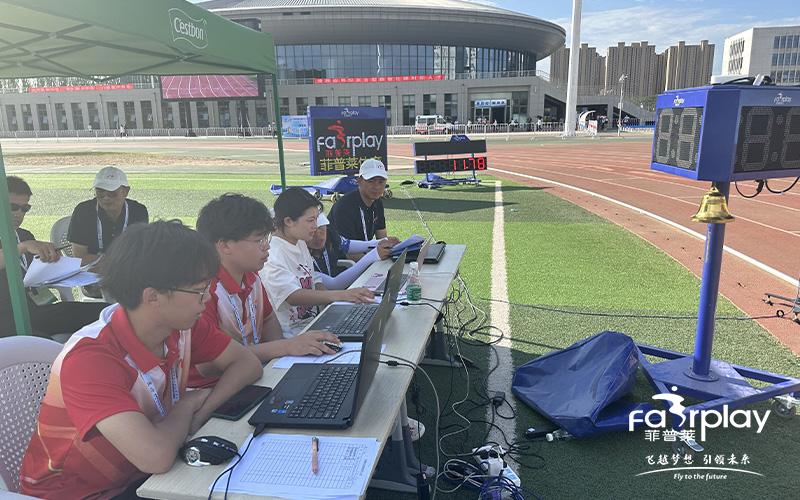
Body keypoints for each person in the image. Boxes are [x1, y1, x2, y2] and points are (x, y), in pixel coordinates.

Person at [19, 221, 262, 499]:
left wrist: (201, 413)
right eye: (199, 290)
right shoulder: (91, 359)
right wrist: (185, 406)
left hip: (145, 471)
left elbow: (247, 364)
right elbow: (155, 457)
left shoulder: (180, 324)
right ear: (153, 296)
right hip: (85, 492)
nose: (207, 298)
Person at [190, 194, 340, 387]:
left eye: (266, 238)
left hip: (255, 373)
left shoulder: (251, 277)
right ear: (225, 245)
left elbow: (268, 318)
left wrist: (282, 358)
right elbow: (210, 363)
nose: (267, 246)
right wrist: (285, 347)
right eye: (259, 240)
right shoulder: (204, 291)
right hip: (215, 387)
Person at [1, 176, 108, 338]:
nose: (19, 214)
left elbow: (35, 274)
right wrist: (22, 248)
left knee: (107, 313)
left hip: (32, 310)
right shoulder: (25, 242)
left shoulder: (24, 235)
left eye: (25, 208)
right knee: (43, 344)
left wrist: (54, 264)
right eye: (13, 207)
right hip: (5, 318)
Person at [261, 188, 374, 337]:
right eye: (310, 220)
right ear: (288, 221)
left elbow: (314, 279)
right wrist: (341, 295)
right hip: (294, 336)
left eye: (316, 219)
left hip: (314, 324)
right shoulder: (273, 255)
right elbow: (293, 296)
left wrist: (333, 307)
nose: (315, 226)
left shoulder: (299, 242)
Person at [68, 166, 149, 266]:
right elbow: (79, 255)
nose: (106, 197)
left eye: (112, 193)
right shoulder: (83, 211)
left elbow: (139, 253)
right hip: (92, 269)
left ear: (126, 191)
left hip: (127, 269)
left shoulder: (138, 211)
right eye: (100, 192)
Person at [308, 211, 392, 290]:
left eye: (322, 228)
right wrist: (373, 256)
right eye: (314, 231)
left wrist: (381, 242)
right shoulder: (302, 258)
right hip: (330, 295)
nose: (319, 234)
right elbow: (335, 284)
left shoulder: (329, 233)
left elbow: (347, 245)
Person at [328, 159, 399, 245]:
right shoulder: (344, 207)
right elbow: (347, 249)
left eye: (381, 182)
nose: (376, 186)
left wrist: (389, 245)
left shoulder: (377, 202)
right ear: (359, 181)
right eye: (371, 181)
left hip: (362, 251)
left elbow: (382, 237)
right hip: (339, 252)